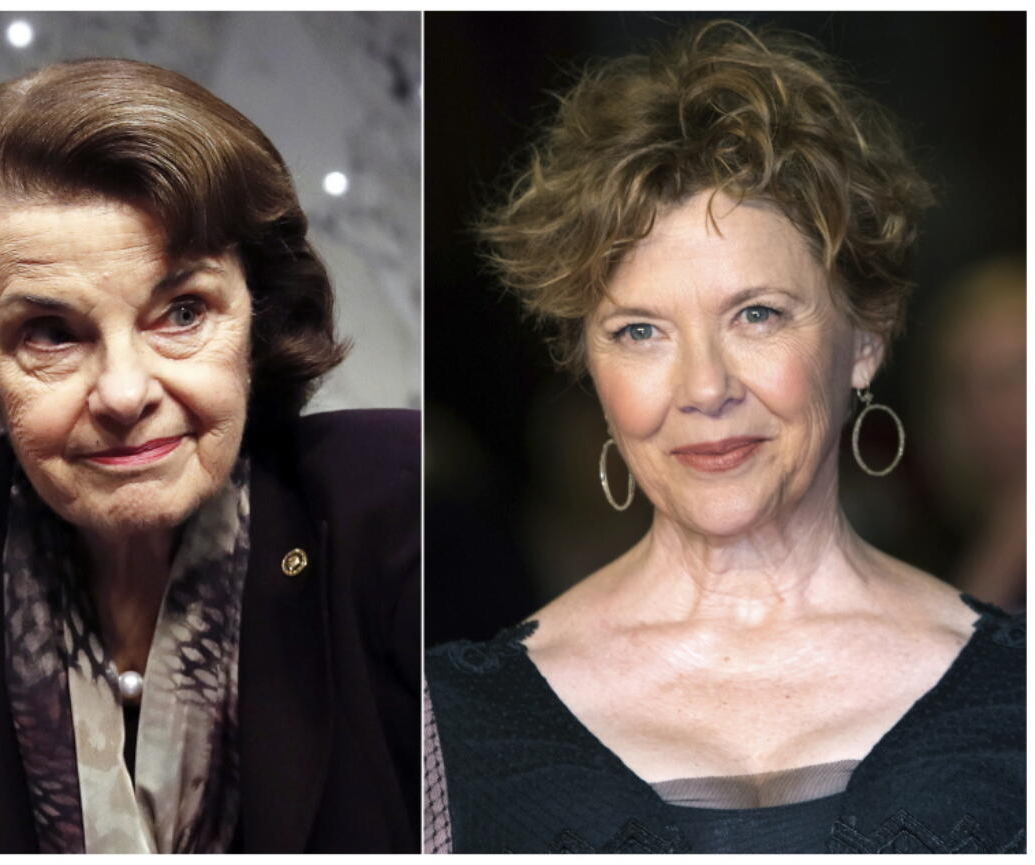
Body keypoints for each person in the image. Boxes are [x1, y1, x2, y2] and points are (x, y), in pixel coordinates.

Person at [424, 20, 1024, 854]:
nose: (704, 388)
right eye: (639, 331)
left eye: (757, 315)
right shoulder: (443, 723)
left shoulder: (1017, 691)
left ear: (867, 337)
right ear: (587, 367)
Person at [0, 58, 419, 854]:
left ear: (258, 318)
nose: (125, 392)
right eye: (51, 333)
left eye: (181, 311)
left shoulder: (398, 512)